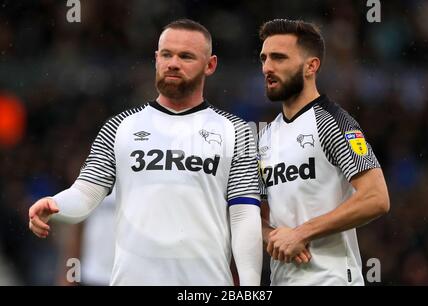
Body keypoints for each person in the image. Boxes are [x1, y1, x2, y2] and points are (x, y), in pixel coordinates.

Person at [28, 19, 262, 286]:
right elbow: (86, 193)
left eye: (186, 56)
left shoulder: (237, 131)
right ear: (156, 59)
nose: (173, 63)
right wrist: (56, 204)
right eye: (166, 54)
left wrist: (250, 286)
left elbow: (244, 215)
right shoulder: (119, 127)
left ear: (210, 65)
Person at [257, 19, 390, 285]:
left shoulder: (333, 122)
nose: (267, 68)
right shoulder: (265, 136)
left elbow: (376, 197)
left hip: (333, 278)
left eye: (279, 58)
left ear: (311, 66)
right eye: (264, 58)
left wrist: (301, 233)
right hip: (283, 280)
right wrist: (271, 236)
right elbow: (256, 214)